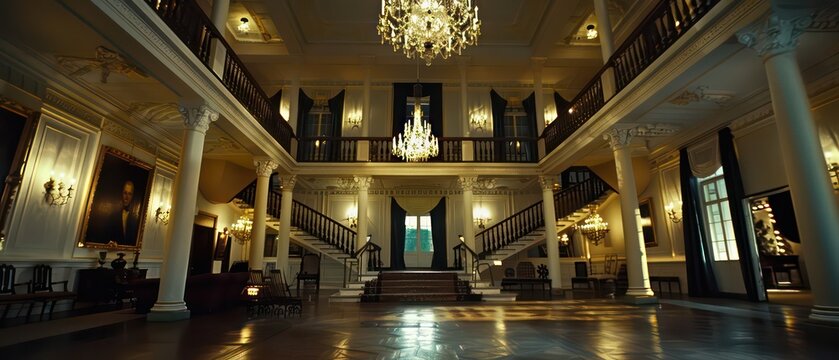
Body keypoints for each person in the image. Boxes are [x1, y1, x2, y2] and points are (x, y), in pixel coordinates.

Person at [108, 180, 139, 246]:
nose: (127, 197)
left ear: (132, 197)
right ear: (121, 194)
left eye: (129, 194)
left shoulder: (136, 219)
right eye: (125, 193)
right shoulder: (113, 216)